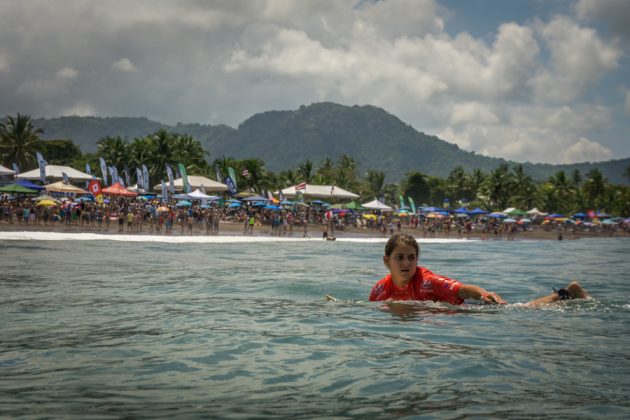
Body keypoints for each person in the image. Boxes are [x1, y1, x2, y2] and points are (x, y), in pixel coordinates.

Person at [369, 233, 589, 306]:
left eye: (411, 257)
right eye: (399, 258)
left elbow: (463, 289)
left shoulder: (427, 280)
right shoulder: (379, 291)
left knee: (520, 310)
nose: (406, 263)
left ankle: (567, 293)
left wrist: (484, 294)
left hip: (469, 313)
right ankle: (566, 294)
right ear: (386, 261)